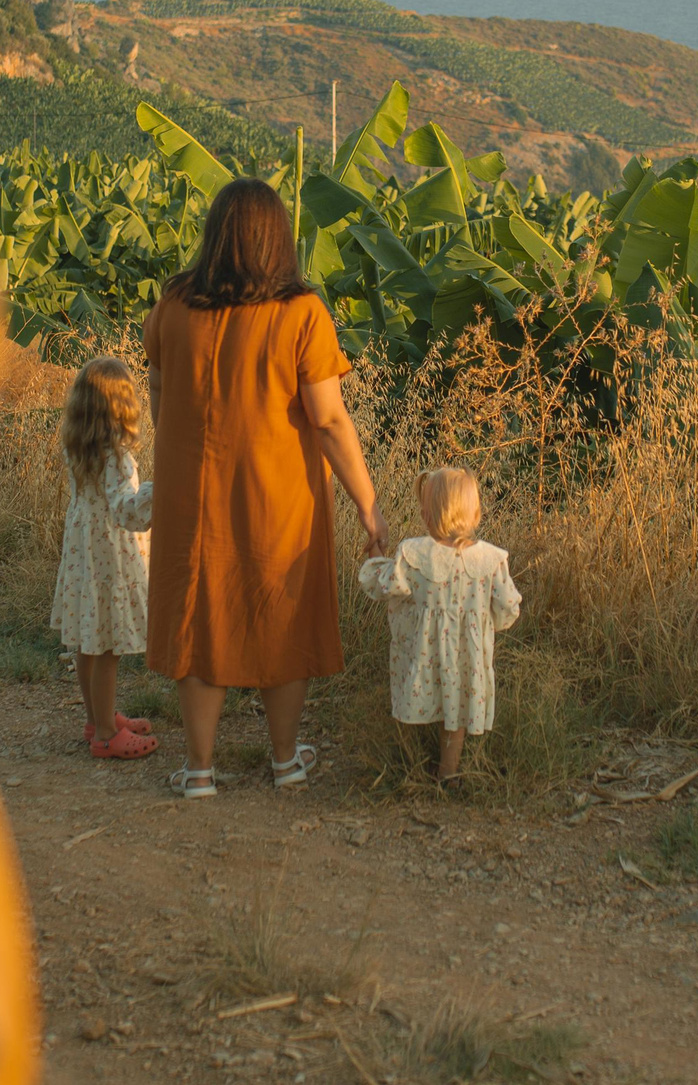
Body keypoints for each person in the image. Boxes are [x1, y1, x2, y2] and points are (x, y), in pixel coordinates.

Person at [144, 177, 388, 799]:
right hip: (278, 495)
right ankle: (285, 762)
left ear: (216, 234)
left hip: (190, 493)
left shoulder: (174, 303)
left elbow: (159, 392)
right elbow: (329, 420)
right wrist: (369, 506)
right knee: (281, 616)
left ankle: (198, 770)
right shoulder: (301, 312)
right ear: (278, 237)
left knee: (201, 616)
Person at [356, 466, 521, 784]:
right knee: (455, 712)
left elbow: (384, 584)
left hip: (425, 655)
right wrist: (485, 625)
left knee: (425, 697)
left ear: (428, 515)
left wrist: (376, 552)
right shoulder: (491, 560)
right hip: (466, 662)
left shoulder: (415, 554)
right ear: (475, 512)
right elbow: (508, 606)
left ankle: (408, 757)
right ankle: (449, 771)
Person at [51, 356, 158, 759]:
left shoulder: (77, 448)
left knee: (87, 642)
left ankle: (97, 719)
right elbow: (126, 511)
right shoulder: (116, 457)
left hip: (84, 559)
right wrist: (155, 489)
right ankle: (107, 735)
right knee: (108, 646)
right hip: (109, 561)